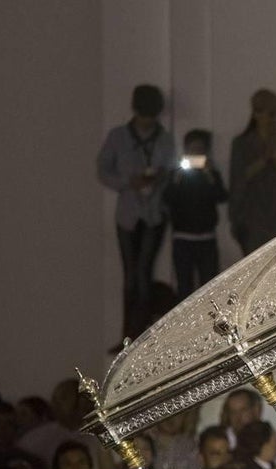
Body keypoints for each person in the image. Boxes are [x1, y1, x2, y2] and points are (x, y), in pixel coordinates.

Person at [97, 84, 177, 345]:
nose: (147, 122)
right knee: (130, 275)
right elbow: (103, 170)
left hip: (154, 213)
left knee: (143, 273)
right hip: (128, 214)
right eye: (144, 115)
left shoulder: (165, 139)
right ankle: (125, 336)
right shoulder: (118, 137)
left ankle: (140, 335)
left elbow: (172, 168)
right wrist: (127, 182)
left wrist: (161, 178)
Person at [228, 89, 276, 255]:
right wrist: (264, 160)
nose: (274, 120)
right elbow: (238, 178)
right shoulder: (242, 144)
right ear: (257, 114)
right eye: (270, 115)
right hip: (250, 216)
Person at [163, 129, 227, 299]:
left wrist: (209, 174)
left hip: (206, 238)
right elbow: (167, 198)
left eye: (200, 150)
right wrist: (177, 178)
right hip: (182, 238)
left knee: (210, 288)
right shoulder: (176, 175)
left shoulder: (211, 174)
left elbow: (221, 196)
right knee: (184, 288)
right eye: (192, 150)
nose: (196, 154)